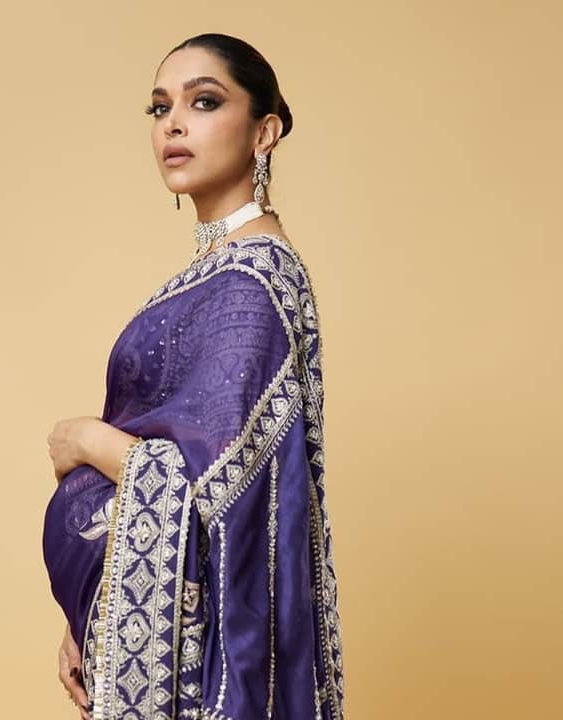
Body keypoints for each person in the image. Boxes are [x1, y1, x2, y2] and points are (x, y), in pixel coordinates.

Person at [42, 32, 344, 720]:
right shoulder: (215, 274)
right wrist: (89, 607)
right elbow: (179, 463)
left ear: (264, 132)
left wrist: (86, 439)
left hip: (203, 673)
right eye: (160, 108)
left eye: (204, 101)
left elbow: (226, 497)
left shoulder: (253, 283)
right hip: (136, 631)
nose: (173, 124)